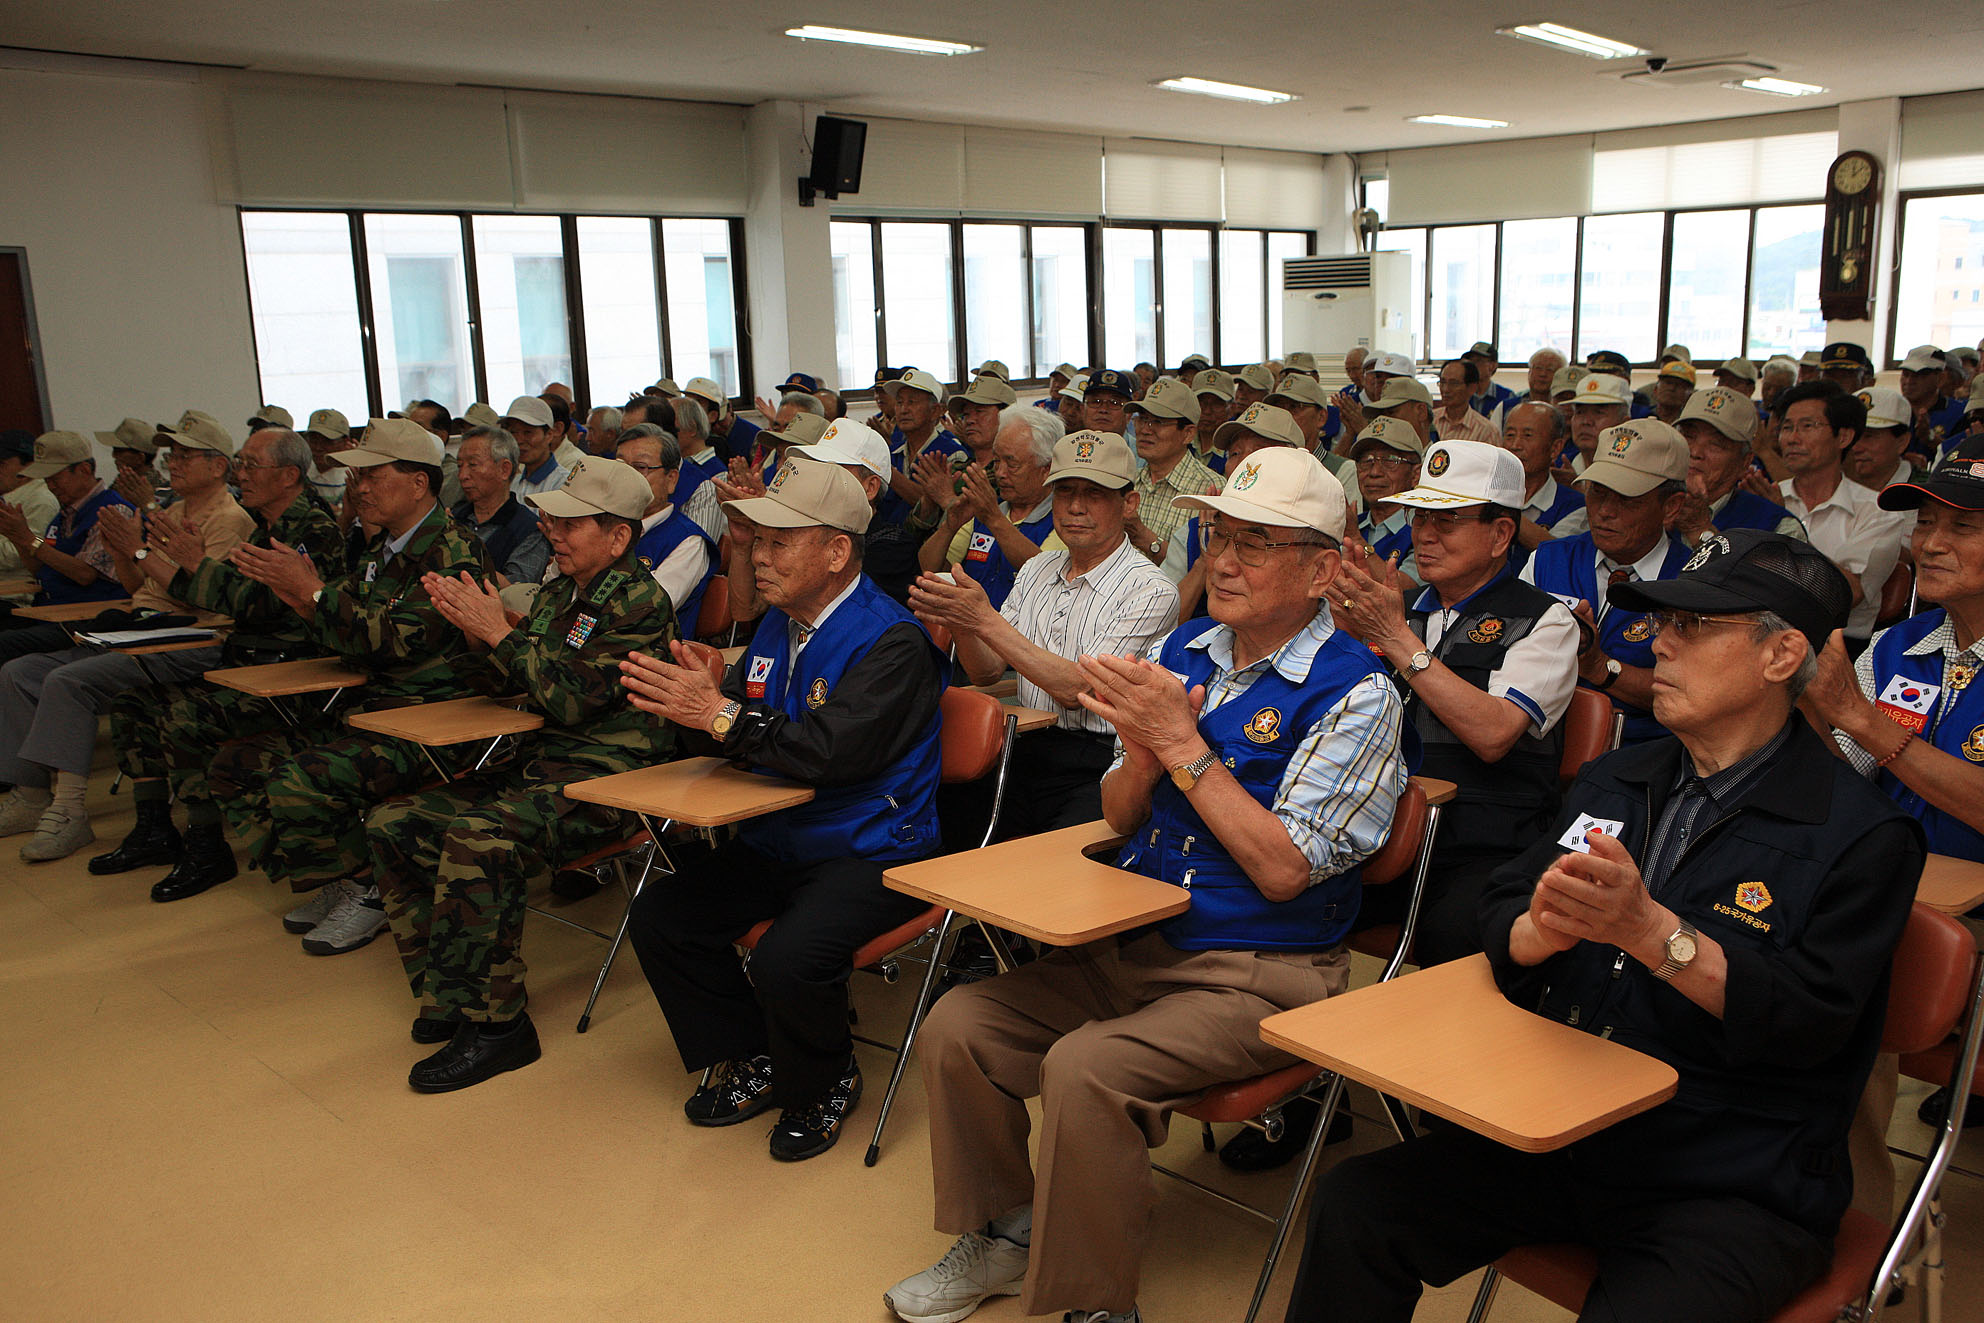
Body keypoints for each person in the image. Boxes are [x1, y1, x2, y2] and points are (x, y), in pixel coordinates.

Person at [1286, 529, 1923, 1323]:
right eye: (1663, 623)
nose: (1663, 645)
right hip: (1568, 1128)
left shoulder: (1858, 834)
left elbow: (1812, 1023)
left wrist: (1658, 938)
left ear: (1781, 653)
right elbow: (1506, 897)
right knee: (1360, 1201)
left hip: (1732, 1177)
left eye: (1694, 628)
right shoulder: (1620, 776)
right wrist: (1536, 932)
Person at [884, 445, 1408, 1323]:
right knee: (958, 1024)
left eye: (1259, 542)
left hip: (1264, 966)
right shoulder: (1189, 649)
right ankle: (1007, 1232)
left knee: (1087, 1066)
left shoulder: (1358, 695)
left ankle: (1097, 1302)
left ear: (1322, 569)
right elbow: (1123, 817)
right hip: (1145, 935)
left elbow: (1284, 870)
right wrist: (1139, 752)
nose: (1226, 559)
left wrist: (1181, 746)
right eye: (1219, 534)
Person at [620, 456, 947, 1162]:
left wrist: (718, 714)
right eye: (756, 541)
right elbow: (742, 731)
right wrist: (700, 700)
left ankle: (827, 1079)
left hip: (873, 849)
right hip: (782, 838)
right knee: (661, 916)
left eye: (778, 542)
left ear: (836, 552)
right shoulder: (778, 625)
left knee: (787, 955)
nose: (758, 558)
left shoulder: (893, 641)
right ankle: (757, 1053)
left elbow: (829, 754)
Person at [369, 458, 678, 1091]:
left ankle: (501, 1027)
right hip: (540, 767)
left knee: (479, 838)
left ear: (618, 537)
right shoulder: (563, 590)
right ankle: (451, 991)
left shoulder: (637, 604)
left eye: (571, 523)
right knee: (393, 822)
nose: (552, 531)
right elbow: (520, 684)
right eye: (550, 518)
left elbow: (567, 700)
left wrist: (498, 635)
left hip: (608, 781)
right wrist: (477, 637)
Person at [210, 418, 491, 954]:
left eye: (372, 476)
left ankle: (369, 889)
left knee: (301, 776)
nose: (358, 488)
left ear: (418, 483)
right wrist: (301, 599)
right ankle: (346, 876)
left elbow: (405, 642)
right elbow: (346, 633)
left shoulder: (451, 550)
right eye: (355, 478)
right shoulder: (376, 550)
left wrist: (313, 595)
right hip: (366, 705)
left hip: (432, 717)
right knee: (239, 763)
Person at [1336, 439, 1579, 966]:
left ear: (1499, 535)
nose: (1423, 534)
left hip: (1482, 844)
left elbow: (1494, 735)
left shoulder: (1545, 620)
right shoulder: (1401, 610)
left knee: (1456, 935)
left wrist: (1396, 639)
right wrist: (1345, 637)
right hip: (1380, 827)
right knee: (1291, 891)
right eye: (1420, 517)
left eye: (1446, 522)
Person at [1803, 436, 1984, 1134]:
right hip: (1894, 892)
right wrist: (1809, 706)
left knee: (1841, 968)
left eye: (1960, 527)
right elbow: (1843, 771)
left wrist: (1859, 717)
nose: (1928, 544)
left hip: (1961, 911)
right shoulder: (1900, 644)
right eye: (1926, 523)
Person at [84, 426, 347, 900]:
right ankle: (156, 831)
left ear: (289, 476)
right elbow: (214, 591)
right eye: (241, 463)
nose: (240, 473)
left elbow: (260, 605)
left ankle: (206, 848)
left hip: (293, 672)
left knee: (184, 719)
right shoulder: (268, 523)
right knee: (133, 707)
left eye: (249, 465)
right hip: (248, 664)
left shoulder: (311, 527)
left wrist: (185, 561)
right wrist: (160, 557)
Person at [0, 413, 254, 861]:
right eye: (172, 455)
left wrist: (136, 548)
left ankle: (69, 811)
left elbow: (201, 598)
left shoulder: (229, 520)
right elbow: (138, 587)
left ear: (219, 467)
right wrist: (125, 553)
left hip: (191, 636)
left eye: (186, 456)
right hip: (142, 624)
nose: (173, 464)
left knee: (67, 681)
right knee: (21, 671)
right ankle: (29, 793)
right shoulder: (171, 512)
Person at [909, 429, 1177, 841]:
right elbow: (985, 671)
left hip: (1101, 762)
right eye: (1065, 491)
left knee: (1053, 866)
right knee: (943, 825)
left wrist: (984, 620)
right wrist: (961, 618)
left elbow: (1079, 689)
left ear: (1129, 504)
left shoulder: (1150, 589)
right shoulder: (1038, 568)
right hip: (1023, 746)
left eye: (1094, 494)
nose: (1074, 507)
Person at [1523, 420, 1692, 745]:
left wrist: (1600, 667)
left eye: (1626, 499)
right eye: (1597, 492)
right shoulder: (1547, 560)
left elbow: (1695, 692)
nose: (1604, 511)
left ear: (1671, 507)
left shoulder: (1695, 581)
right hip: (1537, 757)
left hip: (1647, 769)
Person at [1775, 382, 1911, 651]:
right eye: (1787, 427)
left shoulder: (1877, 511)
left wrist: (1785, 526)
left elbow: (1847, 594)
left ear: (1844, 438)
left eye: (1807, 426)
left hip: (1838, 648)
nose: (1792, 438)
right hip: (1761, 639)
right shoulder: (1768, 497)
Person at [0, 431, 131, 663]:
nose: (50, 486)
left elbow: (85, 574)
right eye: (46, 479)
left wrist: (28, 538)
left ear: (83, 470)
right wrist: (19, 538)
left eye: (55, 477)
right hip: (50, 613)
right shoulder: (64, 515)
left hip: (89, 619)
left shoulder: (112, 511)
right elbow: (38, 569)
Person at [918, 407, 1062, 610]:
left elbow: (1044, 575)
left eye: (1012, 464)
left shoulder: (1063, 519)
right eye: (996, 461)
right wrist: (949, 526)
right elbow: (929, 568)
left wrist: (994, 518)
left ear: (1046, 469)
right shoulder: (985, 512)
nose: (1000, 473)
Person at [1672, 387, 1806, 547]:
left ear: (1745, 462)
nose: (1695, 452)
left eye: (1715, 444)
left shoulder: (1777, 528)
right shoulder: (1646, 499)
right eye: (1688, 436)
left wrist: (1700, 530)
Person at [615, 428, 716, 626]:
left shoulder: (687, 541)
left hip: (650, 651)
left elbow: (645, 613)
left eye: (640, 467)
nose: (625, 478)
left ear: (671, 480)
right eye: (619, 467)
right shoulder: (603, 526)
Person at [1125, 378, 1221, 582]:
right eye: (1142, 419)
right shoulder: (1127, 481)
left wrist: (1143, 537)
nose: (1144, 429)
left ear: (1187, 434)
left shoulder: (1211, 491)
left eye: (1158, 422)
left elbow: (1206, 572)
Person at [450, 426, 550, 585]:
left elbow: (517, 591)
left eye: (473, 465)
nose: (463, 476)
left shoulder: (529, 529)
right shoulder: (454, 518)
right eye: (459, 466)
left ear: (504, 469)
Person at [1499, 400, 1585, 553]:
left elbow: (1556, 553)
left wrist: (1496, 505)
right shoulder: (1487, 492)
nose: (1515, 445)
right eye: (1510, 435)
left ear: (1555, 448)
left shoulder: (1575, 506)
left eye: (1527, 435)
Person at [1348, 417, 1423, 580]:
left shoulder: (1424, 530)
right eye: (1366, 461)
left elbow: (1402, 588)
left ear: (1415, 474)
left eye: (1390, 461)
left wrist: (1355, 539)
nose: (1374, 472)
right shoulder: (1355, 525)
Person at [0, 429, 58, 576]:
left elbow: (19, 555)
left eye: (1, 464)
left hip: (18, 594)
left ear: (28, 467)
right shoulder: (9, 496)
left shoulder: (41, 500)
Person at [1848, 387, 1928, 492]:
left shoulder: (1927, 493)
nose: (1856, 447)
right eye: (1851, 436)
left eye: (1869, 437)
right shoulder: (1828, 486)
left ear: (1902, 442)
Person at [1899, 345, 1968, 465]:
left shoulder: (1960, 413)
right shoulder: (1891, 410)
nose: (1909, 381)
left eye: (1918, 375)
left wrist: (1930, 438)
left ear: (1941, 378)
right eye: (1905, 374)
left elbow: (1963, 459)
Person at [501, 395, 567, 497]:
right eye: (513, 432)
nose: (519, 440)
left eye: (528, 432)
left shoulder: (564, 485)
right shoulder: (511, 484)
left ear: (549, 435)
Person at [1434, 359, 1504, 446]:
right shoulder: (1429, 420)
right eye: (1442, 382)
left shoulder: (1487, 431)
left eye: (1454, 383)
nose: (1445, 389)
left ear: (1472, 388)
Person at [1463, 341, 1518, 420]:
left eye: (1478, 361)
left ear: (1492, 366)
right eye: (1471, 361)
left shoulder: (1507, 397)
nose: (1473, 366)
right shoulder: (1462, 394)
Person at [1080, 369, 1136, 438]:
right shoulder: (1067, 446)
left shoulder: (1140, 448)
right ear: (1082, 409)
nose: (1103, 409)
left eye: (1114, 403)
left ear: (1128, 415)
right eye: (1096, 402)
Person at [1651, 358, 1695, 424]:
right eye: (1668, 383)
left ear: (1689, 396)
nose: (1672, 388)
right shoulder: (1639, 416)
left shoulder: (1690, 424)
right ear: (1655, 390)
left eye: (1679, 385)